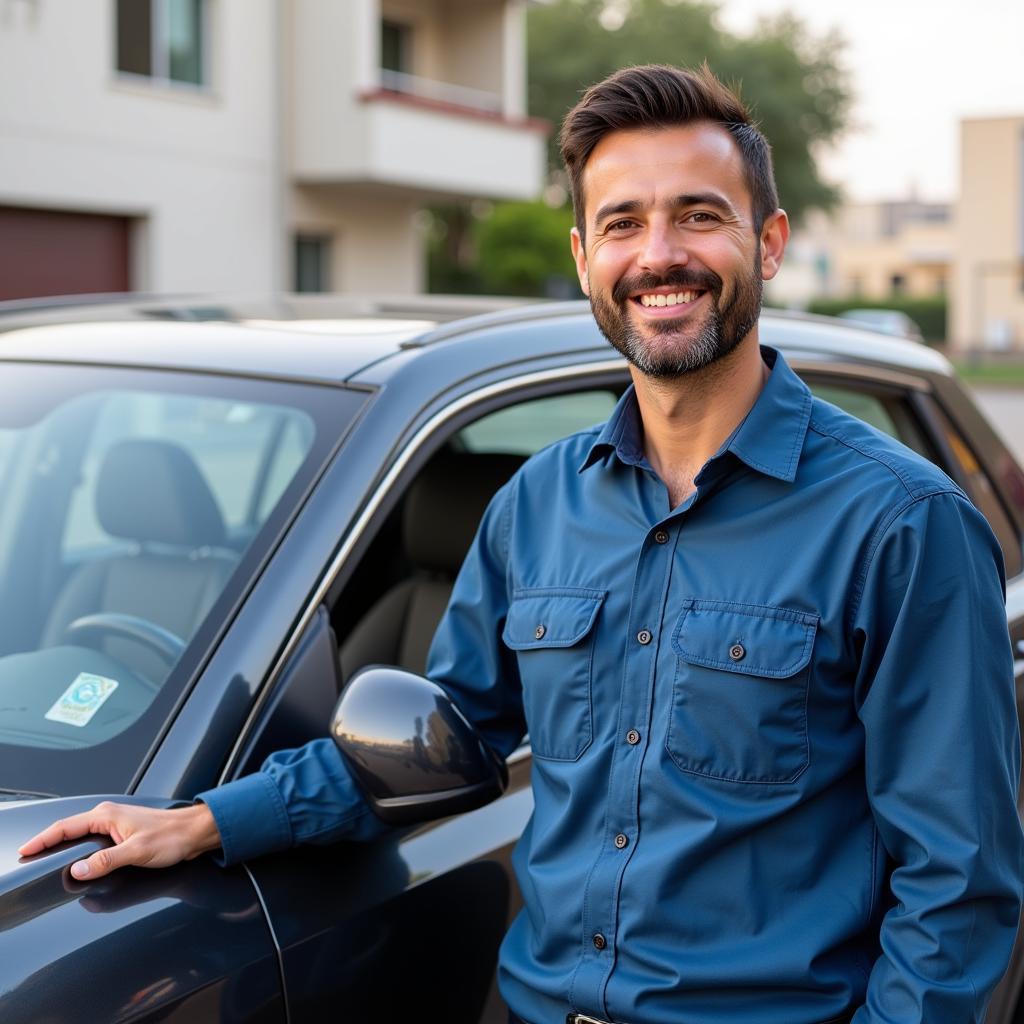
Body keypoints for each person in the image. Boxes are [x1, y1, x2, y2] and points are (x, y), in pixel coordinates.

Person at [21, 64, 1023, 1024]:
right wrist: (206, 820)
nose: (658, 253)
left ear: (766, 242)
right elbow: (438, 739)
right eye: (622, 222)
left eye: (698, 215)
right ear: (586, 257)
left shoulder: (902, 522)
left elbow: (958, 882)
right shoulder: (537, 505)